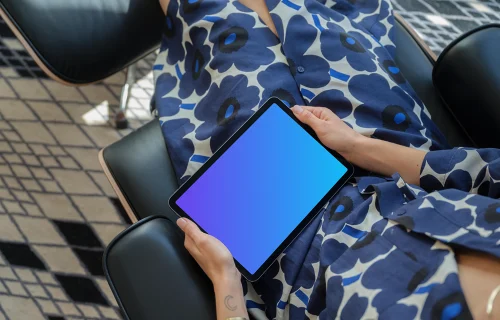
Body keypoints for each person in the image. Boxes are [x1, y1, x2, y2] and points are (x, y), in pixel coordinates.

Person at [154, 0, 500, 319]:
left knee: (221, 35)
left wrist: (225, 280)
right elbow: (490, 173)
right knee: (312, 22)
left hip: (287, 239)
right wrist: (356, 147)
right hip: (391, 156)